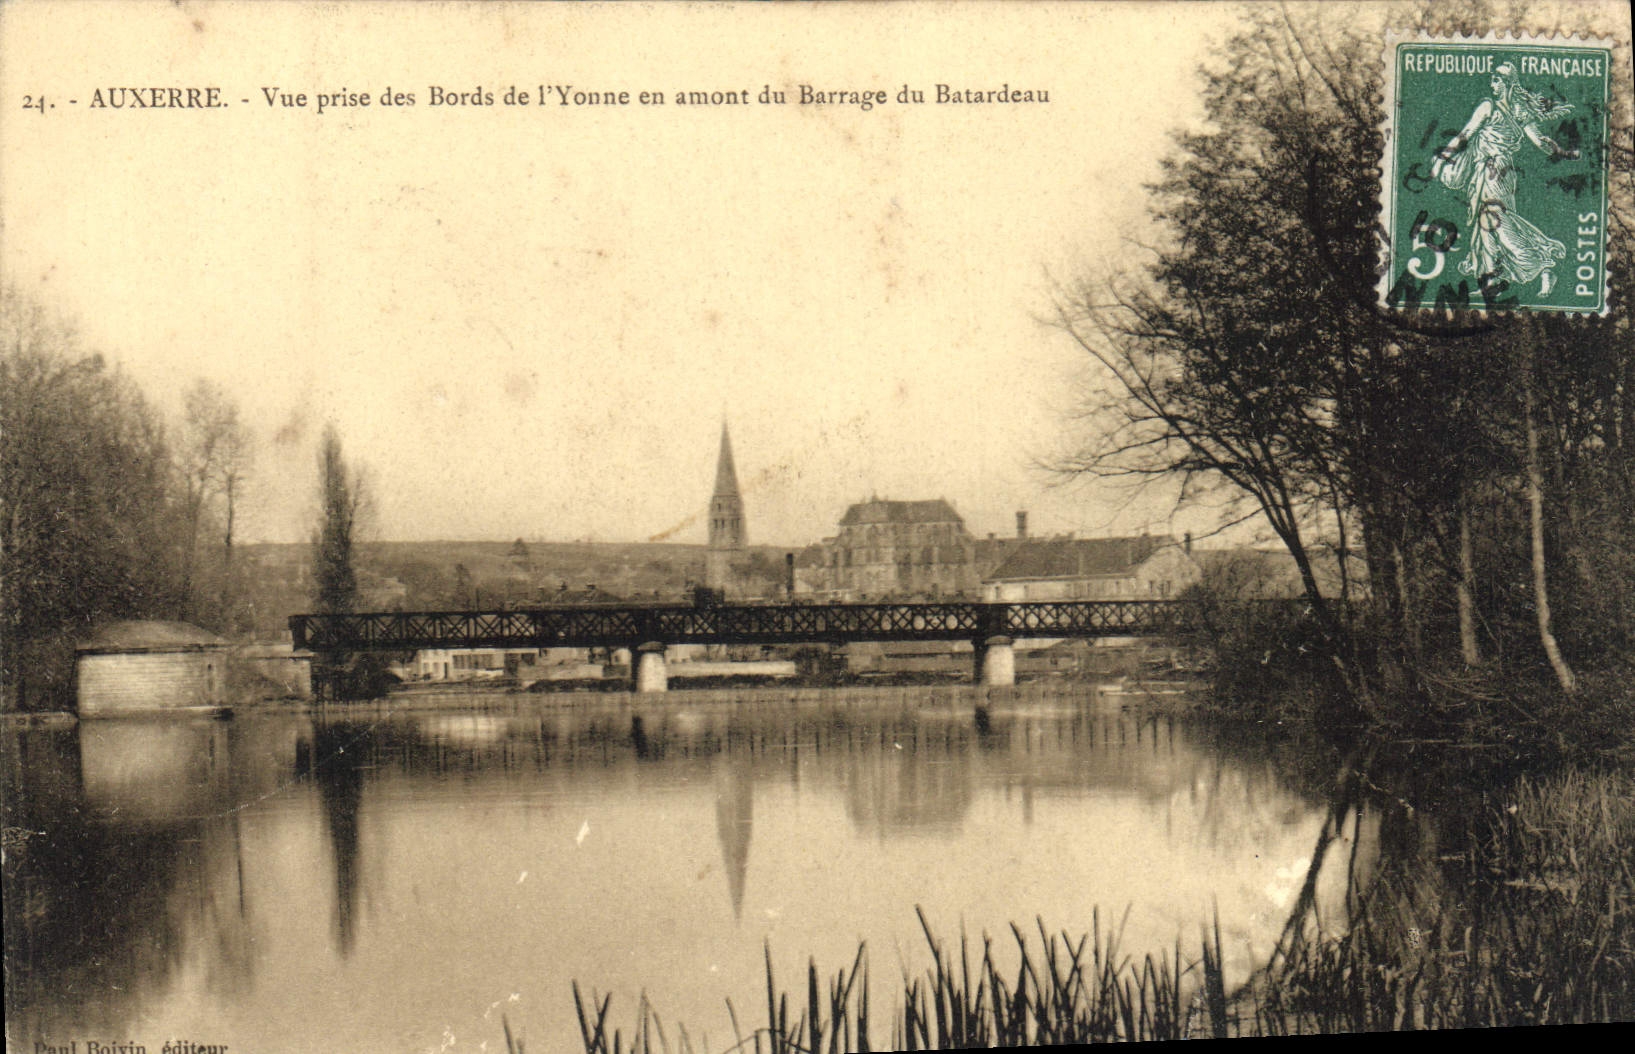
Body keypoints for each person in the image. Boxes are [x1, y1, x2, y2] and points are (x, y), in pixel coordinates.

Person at [1431, 61, 1579, 295]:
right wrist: (1564, 153)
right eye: (1492, 80)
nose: (1492, 84)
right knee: (1487, 225)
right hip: (1502, 173)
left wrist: (1443, 158)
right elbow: (1541, 143)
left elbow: (1465, 135)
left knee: (1494, 221)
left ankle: (1542, 267)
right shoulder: (1520, 111)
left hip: (1492, 173)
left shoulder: (1489, 107)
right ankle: (1490, 280)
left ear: (1508, 83)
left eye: (1497, 80)